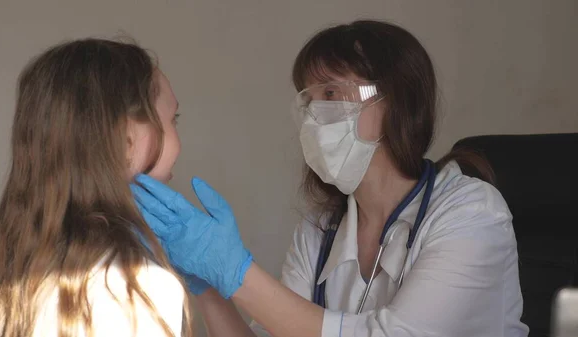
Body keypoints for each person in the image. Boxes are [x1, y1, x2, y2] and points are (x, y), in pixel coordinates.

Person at [132, 20, 529, 337]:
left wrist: (239, 273)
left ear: (396, 103)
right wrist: (212, 290)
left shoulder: (473, 213)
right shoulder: (319, 232)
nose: (313, 114)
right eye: (308, 99)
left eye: (332, 94)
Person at [0, 38, 190, 337]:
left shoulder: (7, 284)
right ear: (126, 138)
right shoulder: (139, 288)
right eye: (173, 119)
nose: (179, 140)